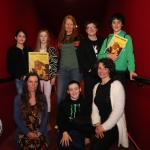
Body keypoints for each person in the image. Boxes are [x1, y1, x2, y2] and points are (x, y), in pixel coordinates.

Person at [91, 58, 128, 150]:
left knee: (94, 148)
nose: (101, 71)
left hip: (113, 124)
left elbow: (118, 112)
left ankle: (111, 136)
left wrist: (103, 128)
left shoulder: (117, 85)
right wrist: (97, 124)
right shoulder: (96, 87)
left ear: (110, 69)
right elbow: (94, 108)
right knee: (77, 122)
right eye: (99, 68)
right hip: (100, 121)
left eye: (105, 68)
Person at [98, 13, 137, 89]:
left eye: (118, 22)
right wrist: (108, 55)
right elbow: (99, 56)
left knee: (119, 98)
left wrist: (131, 70)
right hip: (107, 73)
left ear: (122, 24)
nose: (116, 25)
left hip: (121, 74)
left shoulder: (127, 38)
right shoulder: (106, 40)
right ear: (111, 25)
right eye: (114, 22)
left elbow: (130, 55)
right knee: (108, 99)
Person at [14, 72, 49, 149]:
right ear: (26, 83)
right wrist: (27, 132)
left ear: (38, 84)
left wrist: (40, 132)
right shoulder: (18, 98)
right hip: (24, 131)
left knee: (41, 147)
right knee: (30, 147)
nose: (33, 85)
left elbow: (45, 116)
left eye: (36, 82)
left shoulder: (43, 97)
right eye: (31, 82)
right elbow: (16, 119)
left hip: (40, 131)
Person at [34, 29, 58, 131]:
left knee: (47, 98)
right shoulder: (35, 50)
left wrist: (53, 77)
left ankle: (46, 121)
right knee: (38, 98)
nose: (43, 38)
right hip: (37, 79)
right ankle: (39, 120)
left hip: (48, 78)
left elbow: (54, 64)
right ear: (39, 38)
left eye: (45, 36)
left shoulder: (51, 49)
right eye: (41, 36)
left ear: (48, 38)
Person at [57, 80, 90, 150]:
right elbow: (60, 119)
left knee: (78, 146)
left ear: (80, 89)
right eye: (71, 90)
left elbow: (88, 119)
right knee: (64, 146)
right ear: (68, 91)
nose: (74, 92)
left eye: (76, 89)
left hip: (79, 129)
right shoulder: (63, 103)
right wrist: (64, 131)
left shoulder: (85, 103)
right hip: (66, 129)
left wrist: (87, 136)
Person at [78, 20, 104, 109]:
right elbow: (81, 58)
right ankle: (91, 119)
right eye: (89, 28)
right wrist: (89, 69)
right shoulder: (83, 43)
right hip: (89, 75)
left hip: (103, 74)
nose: (91, 29)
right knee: (90, 98)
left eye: (93, 27)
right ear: (86, 31)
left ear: (96, 29)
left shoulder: (103, 41)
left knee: (102, 97)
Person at [57, 15, 83, 104]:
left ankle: (75, 117)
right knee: (60, 96)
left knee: (75, 95)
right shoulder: (60, 38)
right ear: (64, 25)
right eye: (67, 24)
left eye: (71, 24)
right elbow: (59, 55)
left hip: (75, 70)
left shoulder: (78, 37)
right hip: (62, 70)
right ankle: (62, 117)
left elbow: (83, 53)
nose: (68, 26)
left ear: (74, 26)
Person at [6, 29, 33, 94]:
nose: (21, 38)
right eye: (19, 36)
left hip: (30, 80)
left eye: (24, 36)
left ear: (25, 38)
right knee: (22, 101)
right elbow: (9, 67)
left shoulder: (29, 49)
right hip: (19, 80)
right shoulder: (11, 50)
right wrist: (21, 76)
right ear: (16, 37)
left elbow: (34, 63)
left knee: (31, 100)